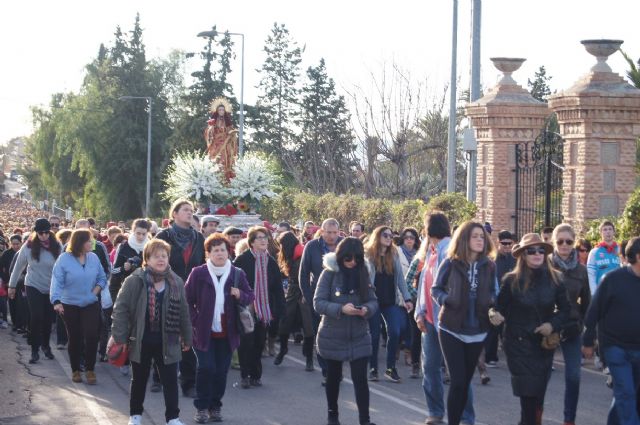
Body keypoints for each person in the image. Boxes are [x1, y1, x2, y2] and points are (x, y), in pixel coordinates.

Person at [489, 233, 570, 425]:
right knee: (528, 397)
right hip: (518, 345)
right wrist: (494, 314)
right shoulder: (510, 280)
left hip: (543, 347)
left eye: (541, 250)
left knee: (537, 397)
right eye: (531, 251)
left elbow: (566, 310)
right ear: (523, 255)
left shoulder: (556, 279)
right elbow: (499, 307)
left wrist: (552, 325)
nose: (537, 254)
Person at [111, 238, 192, 425]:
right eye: (156, 256)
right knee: (139, 380)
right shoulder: (135, 280)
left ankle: (173, 418)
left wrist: (187, 337)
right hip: (141, 340)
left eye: (164, 255)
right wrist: (120, 337)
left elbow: (183, 312)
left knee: (170, 382)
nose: (161, 259)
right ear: (147, 258)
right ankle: (135, 416)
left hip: (168, 341)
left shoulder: (176, 281)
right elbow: (120, 309)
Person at [431, 221, 497, 425]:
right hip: (451, 328)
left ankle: (460, 418)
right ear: (464, 239)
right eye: (475, 236)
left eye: (482, 236)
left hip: (478, 330)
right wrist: (446, 300)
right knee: (458, 381)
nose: (480, 239)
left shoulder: (489, 265)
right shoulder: (451, 262)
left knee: (465, 382)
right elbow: (436, 289)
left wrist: (493, 305)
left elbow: (495, 291)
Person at [185, 233, 254, 423]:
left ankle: (215, 406)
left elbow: (250, 295)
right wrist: (195, 318)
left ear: (228, 251)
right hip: (204, 330)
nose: (220, 254)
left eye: (223, 249)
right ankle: (201, 407)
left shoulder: (236, 273)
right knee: (206, 368)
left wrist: (240, 293)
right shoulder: (198, 273)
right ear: (208, 254)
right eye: (215, 250)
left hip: (228, 332)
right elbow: (187, 299)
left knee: (221, 371)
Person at [315, 237, 378, 425]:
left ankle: (365, 420)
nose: (352, 263)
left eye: (356, 259)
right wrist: (341, 309)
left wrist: (367, 309)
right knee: (333, 378)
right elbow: (318, 302)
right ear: (341, 257)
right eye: (347, 259)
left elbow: (373, 300)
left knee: (361, 380)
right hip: (333, 334)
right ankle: (332, 416)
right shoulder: (329, 273)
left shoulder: (363, 272)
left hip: (358, 334)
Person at [583, 236, 640, 425]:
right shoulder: (613, 280)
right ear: (638, 257)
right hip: (616, 348)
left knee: (629, 395)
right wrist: (588, 341)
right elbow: (594, 311)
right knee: (626, 392)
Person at [156, 199, 205, 398]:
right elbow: (153, 263)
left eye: (191, 210)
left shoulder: (198, 238)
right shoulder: (163, 236)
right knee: (163, 336)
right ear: (174, 214)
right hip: (166, 291)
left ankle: (188, 382)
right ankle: (158, 376)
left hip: (190, 294)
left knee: (187, 337)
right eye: (185, 210)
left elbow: (202, 265)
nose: (189, 213)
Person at [50, 229, 107, 384]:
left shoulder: (94, 258)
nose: (92, 243)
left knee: (91, 335)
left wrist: (94, 293)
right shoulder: (64, 259)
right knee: (75, 338)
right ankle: (75, 370)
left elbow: (102, 278)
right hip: (69, 304)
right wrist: (56, 301)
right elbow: (57, 281)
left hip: (90, 303)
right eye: (89, 240)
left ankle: (90, 369)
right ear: (80, 242)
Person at [233, 225, 285, 388]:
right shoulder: (242, 260)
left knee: (259, 342)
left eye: (265, 237)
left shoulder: (270, 261)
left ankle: (256, 375)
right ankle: (245, 376)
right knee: (246, 342)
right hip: (246, 307)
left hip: (264, 309)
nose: (264, 241)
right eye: (260, 238)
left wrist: (279, 308)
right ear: (251, 242)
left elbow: (277, 287)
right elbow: (235, 283)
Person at [550, 223, 591, 425]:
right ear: (554, 242)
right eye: (560, 241)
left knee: (574, 376)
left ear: (573, 243)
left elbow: (587, 301)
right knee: (538, 376)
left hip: (571, 328)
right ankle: (535, 416)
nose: (564, 245)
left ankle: (569, 419)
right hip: (547, 327)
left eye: (569, 241)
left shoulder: (581, 270)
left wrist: (582, 323)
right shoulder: (544, 264)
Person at [8, 218, 61, 364]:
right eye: (40, 233)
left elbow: (63, 268)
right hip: (33, 285)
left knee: (48, 319)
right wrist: (11, 287)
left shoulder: (57, 246)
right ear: (35, 232)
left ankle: (46, 345)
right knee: (36, 316)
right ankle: (34, 349)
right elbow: (18, 267)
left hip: (51, 287)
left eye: (46, 232)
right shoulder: (28, 246)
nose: (43, 235)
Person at [364, 225, 412, 383]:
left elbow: (400, 279)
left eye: (391, 236)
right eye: (385, 235)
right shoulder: (369, 255)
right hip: (373, 301)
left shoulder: (394, 254)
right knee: (375, 335)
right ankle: (373, 368)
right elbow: (364, 278)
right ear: (377, 236)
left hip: (390, 301)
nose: (389, 238)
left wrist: (407, 298)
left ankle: (391, 368)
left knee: (395, 332)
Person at [300, 218, 343, 380]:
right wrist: (308, 296)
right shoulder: (312, 247)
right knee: (322, 335)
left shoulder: (344, 245)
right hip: (318, 296)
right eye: (328, 232)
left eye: (335, 233)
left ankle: (335, 368)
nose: (332, 236)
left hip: (340, 298)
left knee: (337, 336)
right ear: (322, 231)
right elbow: (303, 274)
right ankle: (326, 371)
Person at [274, 231, 315, 370]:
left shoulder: (299, 256)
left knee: (308, 326)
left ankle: (308, 357)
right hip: (293, 290)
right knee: (285, 323)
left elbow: (304, 277)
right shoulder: (295, 254)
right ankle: (285, 350)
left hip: (302, 291)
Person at [485, 230, 516, 367]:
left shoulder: (515, 259)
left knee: (509, 330)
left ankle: (513, 357)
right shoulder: (493, 260)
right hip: (495, 299)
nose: (507, 246)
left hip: (511, 299)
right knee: (493, 329)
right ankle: (490, 357)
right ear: (498, 242)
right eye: (504, 244)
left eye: (510, 244)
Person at [205, 97, 238, 181]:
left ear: (225, 111)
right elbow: (208, 133)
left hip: (226, 143)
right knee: (217, 158)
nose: (221, 111)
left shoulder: (227, 121)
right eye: (220, 110)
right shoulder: (214, 121)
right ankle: (216, 174)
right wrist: (211, 128)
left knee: (227, 157)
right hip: (216, 143)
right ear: (217, 111)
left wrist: (232, 134)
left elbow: (231, 131)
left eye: (223, 110)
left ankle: (227, 176)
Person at [587, 220, 620, 295]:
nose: (608, 232)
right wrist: (594, 294)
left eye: (610, 229)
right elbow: (591, 275)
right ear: (600, 233)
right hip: (602, 293)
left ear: (614, 232)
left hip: (618, 293)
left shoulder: (620, 250)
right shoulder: (594, 252)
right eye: (605, 229)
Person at [1, 235, 22, 331]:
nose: (15, 246)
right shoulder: (6, 254)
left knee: (20, 304)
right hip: (9, 283)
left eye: (17, 244)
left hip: (22, 282)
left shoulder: (23, 253)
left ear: (21, 243)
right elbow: (1, 268)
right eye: (13, 244)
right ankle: (14, 323)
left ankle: (20, 324)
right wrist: (5, 280)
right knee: (12, 303)